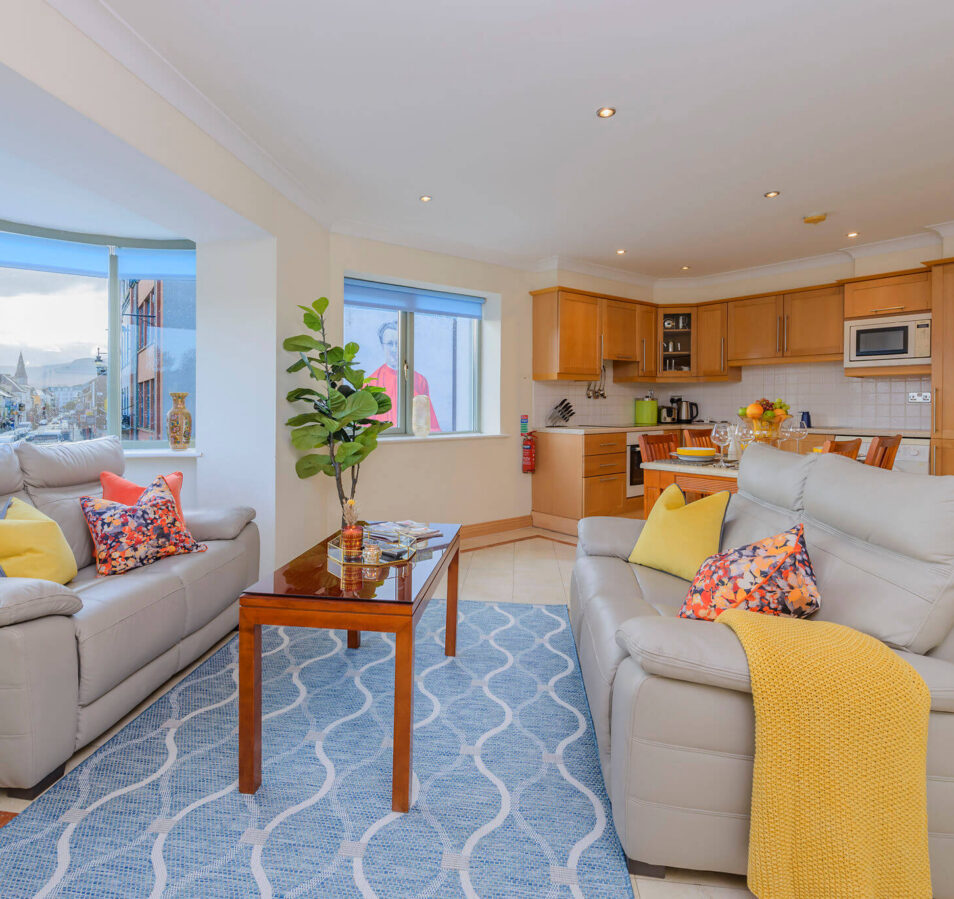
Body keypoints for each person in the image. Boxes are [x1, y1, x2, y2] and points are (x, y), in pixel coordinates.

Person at [367, 321, 440, 431]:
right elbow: (363, 428)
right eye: (390, 344)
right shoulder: (371, 382)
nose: (394, 349)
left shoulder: (419, 381)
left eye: (398, 344)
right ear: (382, 346)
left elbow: (429, 426)